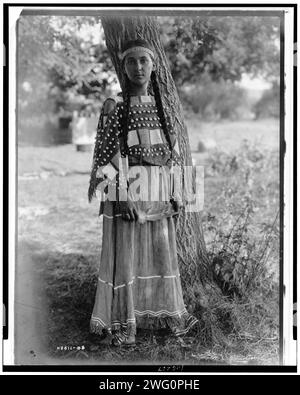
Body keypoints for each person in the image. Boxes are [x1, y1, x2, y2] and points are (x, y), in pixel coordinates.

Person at [88, 39, 198, 346]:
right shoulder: (115, 109)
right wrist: (122, 196)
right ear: (123, 68)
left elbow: (174, 156)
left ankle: (164, 315)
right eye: (132, 61)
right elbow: (106, 161)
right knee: (127, 255)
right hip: (128, 190)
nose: (138, 67)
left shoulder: (164, 112)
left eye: (144, 61)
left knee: (160, 253)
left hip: (158, 191)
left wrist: (177, 193)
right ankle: (126, 323)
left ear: (154, 66)